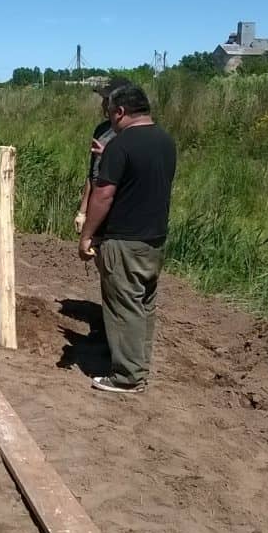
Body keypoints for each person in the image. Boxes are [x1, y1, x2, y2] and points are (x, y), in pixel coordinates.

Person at [78, 83, 176, 393]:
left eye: (110, 111)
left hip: (124, 239)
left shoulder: (120, 145)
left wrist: (87, 234)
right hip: (154, 238)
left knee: (123, 306)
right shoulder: (165, 140)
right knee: (143, 303)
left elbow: (103, 195)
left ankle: (127, 376)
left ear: (120, 112)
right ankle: (139, 364)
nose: (108, 117)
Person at [74, 78, 127, 235]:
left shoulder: (129, 133)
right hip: (97, 202)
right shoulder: (101, 130)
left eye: (106, 100)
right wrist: (82, 212)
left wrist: (109, 154)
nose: (103, 105)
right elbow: (92, 174)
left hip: (117, 204)